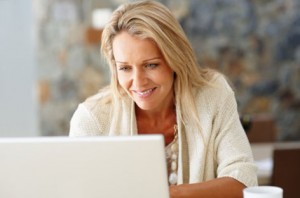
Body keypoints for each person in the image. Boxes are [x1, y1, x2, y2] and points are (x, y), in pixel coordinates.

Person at [69, 1, 257, 197]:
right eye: (125, 68)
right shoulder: (92, 120)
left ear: (175, 58)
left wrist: (169, 194)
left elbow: (243, 181)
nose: (138, 82)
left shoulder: (213, 96)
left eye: (151, 65)